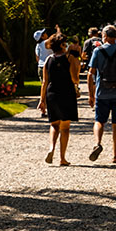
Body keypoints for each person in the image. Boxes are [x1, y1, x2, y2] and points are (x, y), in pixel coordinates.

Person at [87, 25, 116, 163]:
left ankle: (98, 143)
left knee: (99, 121)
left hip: (101, 92)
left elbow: (91, 73)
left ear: (105, 36)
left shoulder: (98, 51)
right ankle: (115, 154)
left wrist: (91, 94)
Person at [38, 33, 81, 166]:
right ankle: (62, 158)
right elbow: (75, 78)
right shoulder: (69, 58)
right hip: (66, 93)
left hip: (52, 93)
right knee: (65, 127)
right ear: (62, 45)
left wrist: (42, 100)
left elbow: (44, 81)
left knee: (54, 124)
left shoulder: (48, 59)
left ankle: (51, 148)